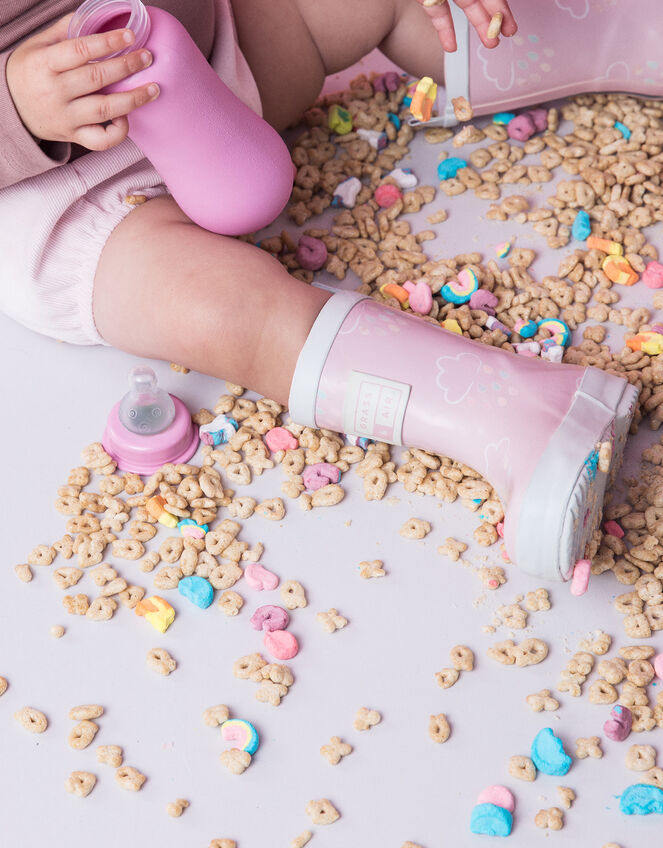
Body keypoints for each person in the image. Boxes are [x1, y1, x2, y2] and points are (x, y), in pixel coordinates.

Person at [0, 0, 642, 582]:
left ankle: (629, 32)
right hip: (65, 191)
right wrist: (16, 105)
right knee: (213, 310)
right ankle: (519, 411)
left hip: (214, 45)